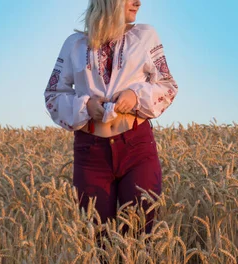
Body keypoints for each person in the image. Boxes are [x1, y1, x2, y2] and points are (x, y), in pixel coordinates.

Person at [43, 0, 178, 237]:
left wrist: (135, 97)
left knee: (139, 238)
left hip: (137, 148)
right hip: (91, 154)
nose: (138, 2)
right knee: (98, 241)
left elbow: (168, 86)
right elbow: (53, 96)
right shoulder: (74, 45)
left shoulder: (145, 36)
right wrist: (86, 106)